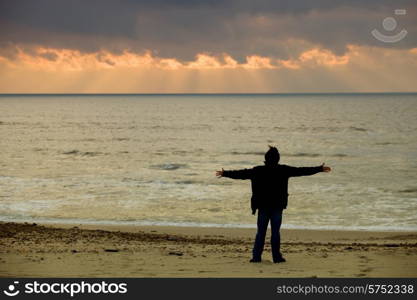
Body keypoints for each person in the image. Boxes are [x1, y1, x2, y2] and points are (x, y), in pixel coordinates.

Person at [216, 146, 331, 263]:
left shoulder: (257, 170)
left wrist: (225, 173)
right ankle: (276, 257)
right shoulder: (284, 170)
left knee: (261, 232)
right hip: (277, 206)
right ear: (278, 159)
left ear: (266, 159)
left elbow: (241, 174)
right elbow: (301, 171)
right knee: (275, 232)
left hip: (263, 206)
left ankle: (256, 257)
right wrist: (319, 169)